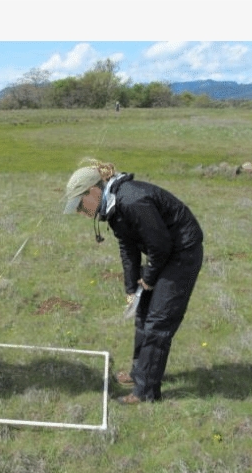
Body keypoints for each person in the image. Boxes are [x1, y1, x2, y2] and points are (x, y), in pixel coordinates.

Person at [63, 159, 203, 404]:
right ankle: (140, 373)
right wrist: (132, 290)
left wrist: (147, 280)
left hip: (181, 253)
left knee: (158, 322)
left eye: (80, 204)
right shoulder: (114, 207)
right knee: (142, 312)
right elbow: (128, 248)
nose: (79, 211)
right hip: (163, 253)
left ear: (94, 191)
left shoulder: (132, 201)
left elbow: (160, 246)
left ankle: (146, 392)